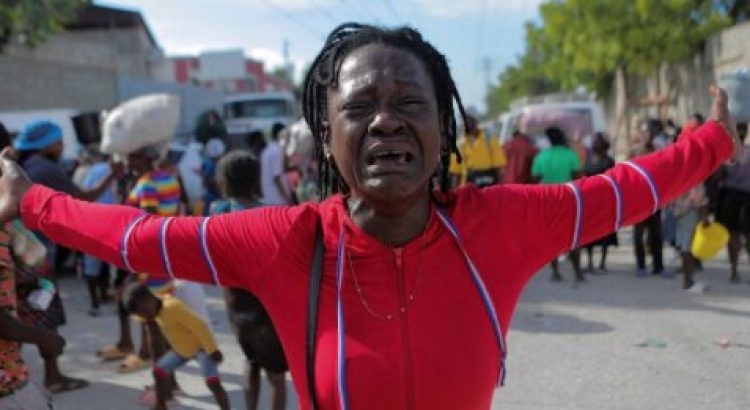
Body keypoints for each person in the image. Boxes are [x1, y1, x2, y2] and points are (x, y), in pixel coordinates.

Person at [0, 24, 740, 410]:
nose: (386, 120)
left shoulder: (501, 224)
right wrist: (30, 201)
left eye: (411, 103)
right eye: (360, 107)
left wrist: (713, 140)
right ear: (327, 137)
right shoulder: (287, 241)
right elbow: (140, 237)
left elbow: (624, 190)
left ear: (444, 129)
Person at [210, 151, 288, 410]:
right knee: (276, 377)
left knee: (250, 362)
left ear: (223, 181)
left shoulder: (218, 211)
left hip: (236, 306)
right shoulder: (271, 214)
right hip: (267, 309)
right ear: (256, 179)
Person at [122, 283, 230, 410]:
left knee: (212, 382)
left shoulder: (172, 307)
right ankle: (161, 406)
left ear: (148, 299)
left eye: (145, 312)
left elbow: (200, 327)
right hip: (182, 350)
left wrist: (212, 350)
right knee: (158, 372)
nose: (146, 316)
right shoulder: (153, 311)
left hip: (201, 347)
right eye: (142, 315)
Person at [531, 127, 584, 281]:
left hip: (547, 200)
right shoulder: (571, 155)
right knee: (573, 236)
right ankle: (577, 272)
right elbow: (578, 176)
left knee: (552, 236)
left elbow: (534, 178)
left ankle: (555, 272)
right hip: (567, 199)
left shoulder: (541, 156)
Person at [78, 145, 117, 316]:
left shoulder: (97, 170)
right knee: (100, 264)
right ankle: (98, 301)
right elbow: (87, 194)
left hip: (103, 222)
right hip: (102, 222)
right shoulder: (101, 170)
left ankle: (99, 301)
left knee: (100, 265)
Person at [714, 122, 750, 283]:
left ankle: (734, 272)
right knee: (747, 235)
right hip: (746, 196)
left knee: (733, 236)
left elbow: (718, 176)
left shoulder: (728, 153)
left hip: (730, 197)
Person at [631, 119, 667, 277]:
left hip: (655, 199)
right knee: (638, 234)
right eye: (645, 131)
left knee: (656, 234)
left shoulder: (658, 151)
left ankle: (658, 266)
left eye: (650, 131)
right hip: (638, 200)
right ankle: (641, 266)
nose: (648, 135)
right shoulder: (634, 152)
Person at [583, 133, 618, 272]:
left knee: (605, 233)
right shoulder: (588, 160)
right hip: (590, 200)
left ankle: (602, 262)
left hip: (604, 200)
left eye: (596, 141)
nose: (594, 144)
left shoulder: (609, 161)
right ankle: (590, 262)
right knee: (588, 232)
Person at [449, 115, 506, 187]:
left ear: (476, 122)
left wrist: (500, 188)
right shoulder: (460, 144)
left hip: (488, 186)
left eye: (471, 120)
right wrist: (456, 192)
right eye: (465, 121)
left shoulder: (489, 139)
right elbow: (456, 173)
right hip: (468, 188)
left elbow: (499, 168)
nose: (469, 124)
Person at [261, 123, 293, 205]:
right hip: (278, 199)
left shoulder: (267, 150)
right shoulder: (277, 150)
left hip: (269, 197)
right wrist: (288, 199)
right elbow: (277, 177)